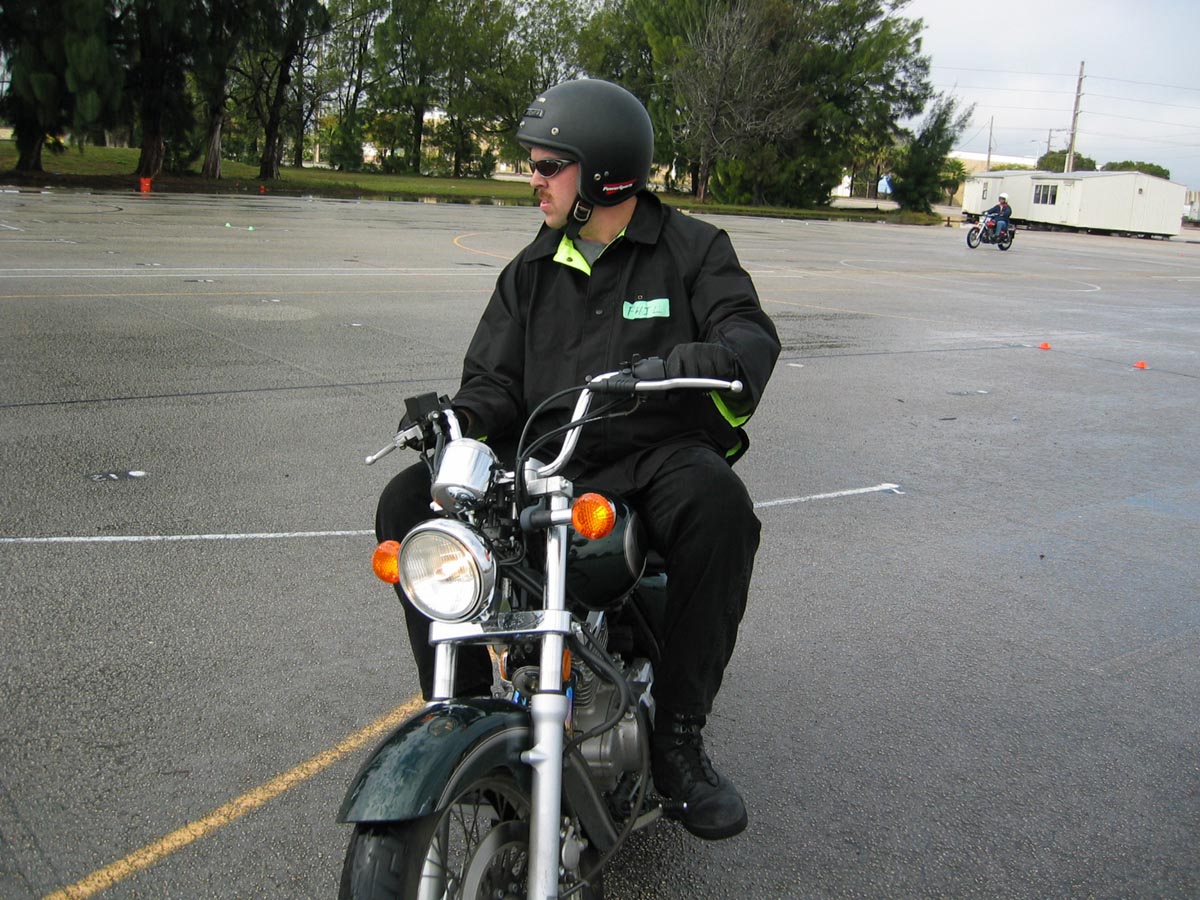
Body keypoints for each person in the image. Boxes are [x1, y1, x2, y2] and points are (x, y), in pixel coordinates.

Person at [375, 78, 780, 841]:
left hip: (653, 454)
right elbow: (494, 382)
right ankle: (465, 709)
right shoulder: (531, 269)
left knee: (720, 507)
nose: (533, 180)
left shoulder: (694, 250)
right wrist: (460, 416)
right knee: (407, 502)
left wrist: (708, 358)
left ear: (603, 173)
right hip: (546, 458)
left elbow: (747, 334)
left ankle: (679, 739)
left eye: (546, 166)